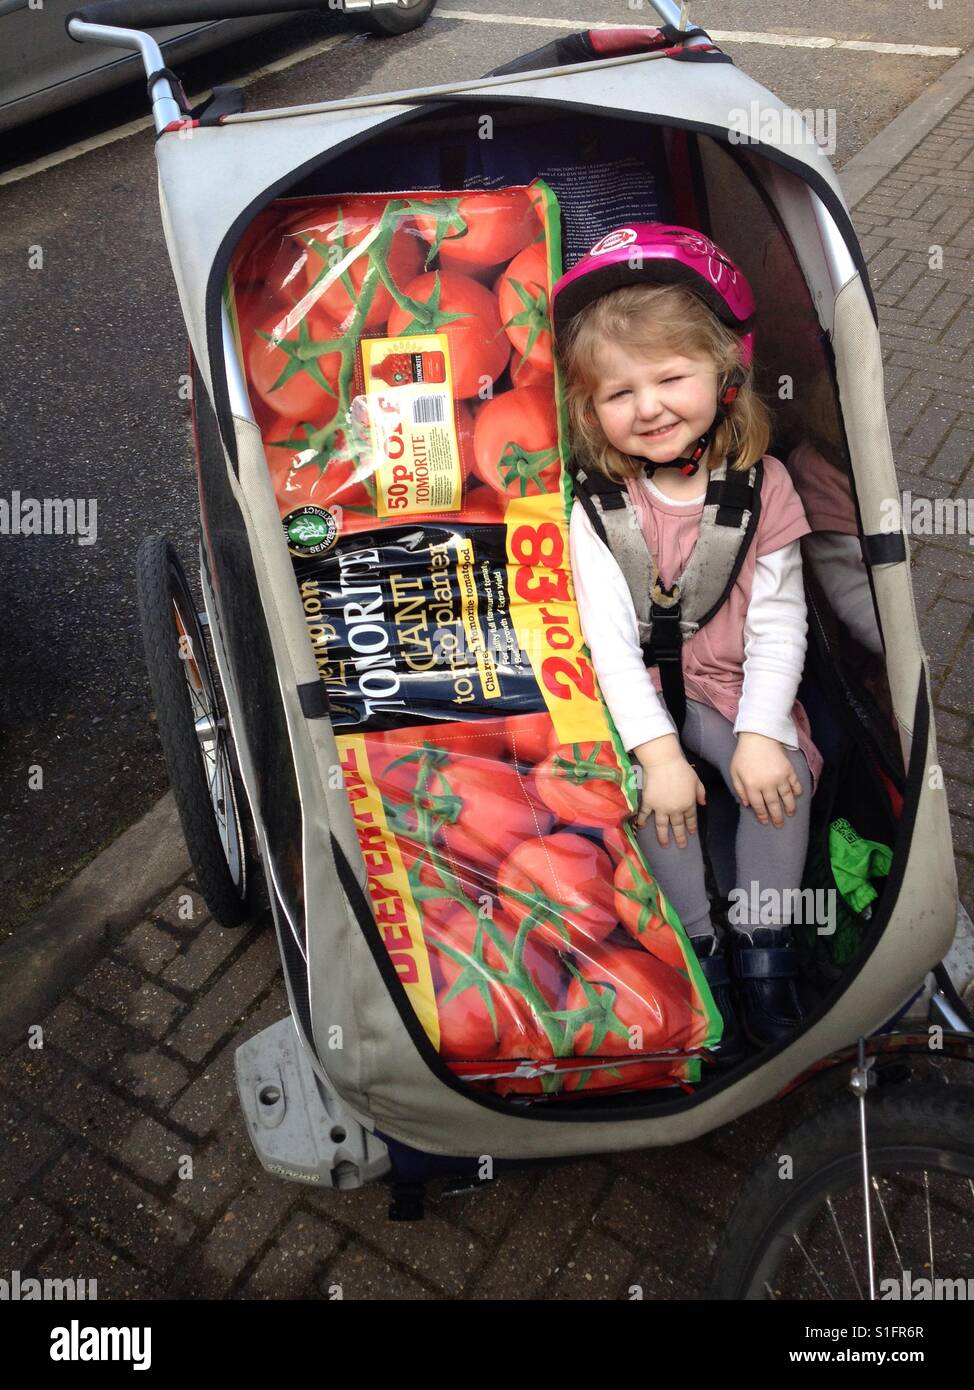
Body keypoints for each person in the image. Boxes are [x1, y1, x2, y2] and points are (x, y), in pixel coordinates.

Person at [550, 224, 824, 1056]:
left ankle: (764, 948)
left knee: (784, 783)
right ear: (591, 411)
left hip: (732, 682)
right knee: (643, 795)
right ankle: (697, 947)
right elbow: (608, 646)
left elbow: (780, 624)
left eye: (671, 378)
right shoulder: (595, 506)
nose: (650, 408)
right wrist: (661, 756)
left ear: (725, 375)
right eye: (619, 394)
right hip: (639, 695)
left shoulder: (762, 485)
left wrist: (761, 733)